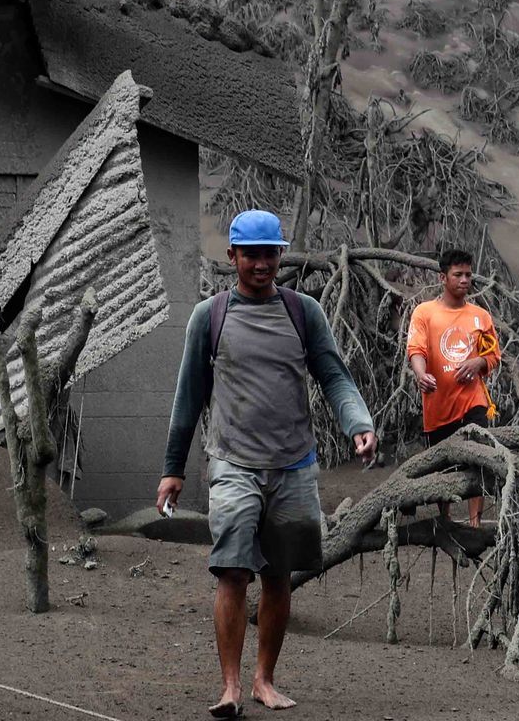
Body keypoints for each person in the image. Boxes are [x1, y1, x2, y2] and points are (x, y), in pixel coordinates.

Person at [157, 209, 377, 718]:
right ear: (231, 256)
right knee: (232, 571)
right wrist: (173, 468)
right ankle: (230, 687)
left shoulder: (304, 313)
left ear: (281, 255)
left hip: (294, 465)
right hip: (233, 462)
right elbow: (187, 398)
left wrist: (357, 422)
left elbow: (334, 376)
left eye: (269, 254)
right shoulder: (210, 317)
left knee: (278, 575)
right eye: (250, 254)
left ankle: (264, 680)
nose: (260, 264)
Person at [406, 248, 501, 528]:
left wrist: (478, 363)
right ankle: (445, 520)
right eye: (457, 274)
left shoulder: (480, 316)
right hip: (438, 405)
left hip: (472, 401)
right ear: (442, 277)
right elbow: (416, 349)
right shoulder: (425, 313)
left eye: (468, 274)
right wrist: (421, 375)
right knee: (442, 467)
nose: (464, 280)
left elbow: (494, 356)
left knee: (479, 460)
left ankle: (474, 524)